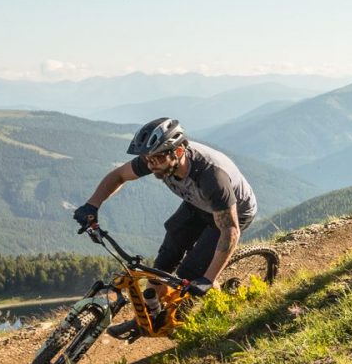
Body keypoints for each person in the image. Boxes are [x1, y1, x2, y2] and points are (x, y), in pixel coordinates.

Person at [71, 117, 258, 337]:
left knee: (191, 274)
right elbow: (119, 175)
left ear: (177, 152)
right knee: (164, 261)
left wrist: (207, 279)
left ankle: (218, 310)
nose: (150, 165)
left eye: (157, 159)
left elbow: (230, 231)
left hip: (232, 213)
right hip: (197, 204)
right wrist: (92, 205)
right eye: (147, 159)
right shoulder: (157, 157)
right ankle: (152, 316)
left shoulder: (211, 177)